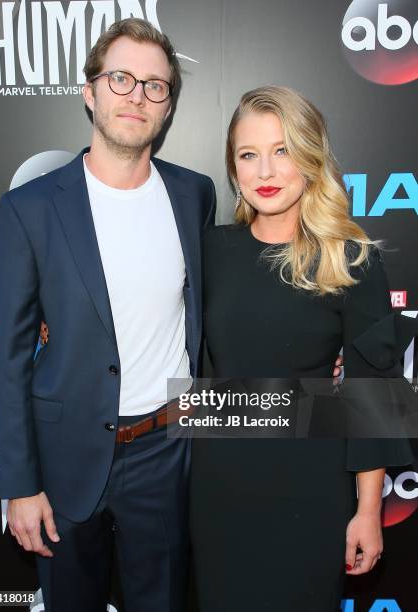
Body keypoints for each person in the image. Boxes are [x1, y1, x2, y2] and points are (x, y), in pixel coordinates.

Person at [0, 18, 216, 612]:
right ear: (90, 92)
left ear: (167, 108)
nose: (136, 96)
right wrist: (19, 484)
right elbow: (10, 357)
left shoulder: (195, 195)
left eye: (155, 85)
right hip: (64, 457)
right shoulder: (30, 208)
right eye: (121, 79)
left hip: (166, 451)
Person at [189, 86, 415, 612]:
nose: (265, 170)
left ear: (310, 158)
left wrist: (366, 511)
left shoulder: (350, 260)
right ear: (234, 168)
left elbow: (373, 395)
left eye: (282, 150)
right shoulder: (210, 252)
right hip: (218, 489)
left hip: (312, 490)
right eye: (249, 155)